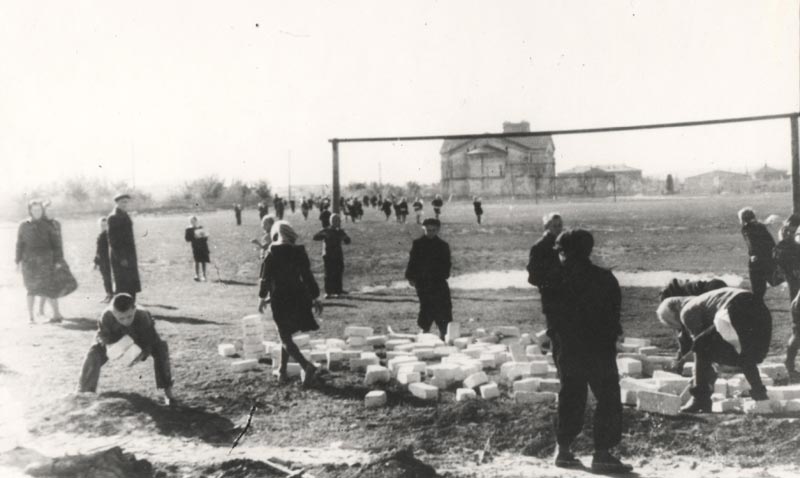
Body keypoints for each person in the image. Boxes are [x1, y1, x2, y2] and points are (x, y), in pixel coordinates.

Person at [550, 229, 632, 473]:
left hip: (569, 347)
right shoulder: (604, 278)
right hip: (598, 348)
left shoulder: (557, 279)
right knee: (607, 398)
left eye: (562, 251)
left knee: (570, 396)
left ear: (566, 252)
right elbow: (613, 316)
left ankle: (563, 451)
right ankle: (603, 454)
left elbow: (552, 316)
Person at [656, 287, 772, 412]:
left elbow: (699, 348)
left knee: (701, 346)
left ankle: (700, 399)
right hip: (759, 308)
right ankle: (761, 399)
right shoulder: (706, 302)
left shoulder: (687, 311)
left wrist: (698, 378)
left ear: (674, 313)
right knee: (743, 354)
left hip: (737, 306)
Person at [77, 293, 176, 405]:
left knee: (161, 347)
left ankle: (168, 393)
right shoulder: (106, 316)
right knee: (93, 353)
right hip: (114, 339)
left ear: (134, 309)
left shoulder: (143, 315)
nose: (126, 321)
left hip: (138, 337)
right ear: (114, 313)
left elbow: (150, 339)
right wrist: (113, 349)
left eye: (129, 316)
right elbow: (103, 337)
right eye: (121, 318)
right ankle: (84, 393)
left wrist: (141, 355)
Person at [258, 221, 323, 386]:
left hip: (280, 298)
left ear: (276, 234)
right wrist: (315, 297)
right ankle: (282, 371)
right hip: (299, 296)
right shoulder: (298, 251)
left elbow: (265, 278)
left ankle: (306, 365)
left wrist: (261, 297)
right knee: (285, 334)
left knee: (284, 335)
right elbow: (307, 276)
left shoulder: (272, 251)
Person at [16, 200, 75, 323]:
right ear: (30, 211)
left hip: (46, 261)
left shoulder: (48, 225)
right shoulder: (23, 225)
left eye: (39, 210)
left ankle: (56, 314)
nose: (37, 212)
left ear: (42, 211)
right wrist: (18, 262)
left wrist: (58, 260)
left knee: (49, 288)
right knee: (30, 289)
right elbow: (19, 244)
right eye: (34, 210)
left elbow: (56, 245)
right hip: (29, 263)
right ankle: (31, 317)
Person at [405, 218, 452, 340]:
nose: (431, 233)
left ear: (438, 230)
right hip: (423, 283)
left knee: (443, 307)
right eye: (428, 230)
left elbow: (447, 264)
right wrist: (410, 276)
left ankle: (444, 332)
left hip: (438, 282)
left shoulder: (443, 246)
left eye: (434, 230)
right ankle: (425, 330)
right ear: (423, 229)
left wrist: (442, 275)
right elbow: (412, 262)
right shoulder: (418, 244)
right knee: (426, 306)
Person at [526, 212, 564, 361]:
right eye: (555, 226)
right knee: (555, 332)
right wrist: (549, 283)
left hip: (565, 295)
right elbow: (532, 276)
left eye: (560, 225)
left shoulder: (564, 244)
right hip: (551, 296)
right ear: (546, 227)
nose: (558, 229)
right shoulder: (539, 247)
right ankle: (558, 364)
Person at [775, 219, 800, 379]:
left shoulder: (785, 249)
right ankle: (789, 364)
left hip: (796, 296)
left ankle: (789, 363)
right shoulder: (786, 250)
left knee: (797, 331)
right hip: (797, 296)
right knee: (798, 331)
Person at [107, 193, 141, 301]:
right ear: (117, 203)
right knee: (122, 284)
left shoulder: (125, 215)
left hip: (130, 254)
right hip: (121, 256)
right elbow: (113, 240)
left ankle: (132, 306)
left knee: (131, 283)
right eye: (123, 202)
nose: (125, 204)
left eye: (126, 202)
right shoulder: (113, 217)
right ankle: (122, 309)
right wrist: (121, 258)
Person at [739, 207, 776, 301]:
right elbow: (771, 243)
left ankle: (756, 309)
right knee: (762, 288)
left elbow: (752, 245)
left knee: (757, 290)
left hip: (756, 261)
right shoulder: (760, 227)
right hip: (767, 259)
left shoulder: (746, 229)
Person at [313, 213, 352, 298]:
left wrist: (345, 238)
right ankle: (328, 292)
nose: (336, 222)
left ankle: (338, 290)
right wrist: (323, 235)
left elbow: (348, 241)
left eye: (338, 220)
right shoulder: (326, 230)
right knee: (329, 273)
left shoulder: (340, 231)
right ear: (331, 221)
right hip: (328, 254)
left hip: (338, 254)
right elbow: (315, 237)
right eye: (334, 220)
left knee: (338, 272)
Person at [94, 217, 114, 303]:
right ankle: (108, 295)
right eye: (101, 225)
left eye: (105, 225)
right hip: (102, 260)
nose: (103, 227)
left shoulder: (109, 236)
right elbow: (98, 250)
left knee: (108, 278)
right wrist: (96, 262)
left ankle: (111, 295)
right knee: (105, 279)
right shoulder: (100, 235)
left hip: (108, 260)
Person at [185, 216, 211, 282]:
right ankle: (197, 275)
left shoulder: (200, 227)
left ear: (196, 221)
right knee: (196, 260)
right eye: (192, 221)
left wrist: (205, 235)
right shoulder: (188, 229)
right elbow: (187, 239)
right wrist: (194, 237)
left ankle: (204, 275)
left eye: (194, 221)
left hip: (203, 246)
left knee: (203, 261)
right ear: (190, 222)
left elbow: (206, 238)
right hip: (195, 247)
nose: (193, 222)